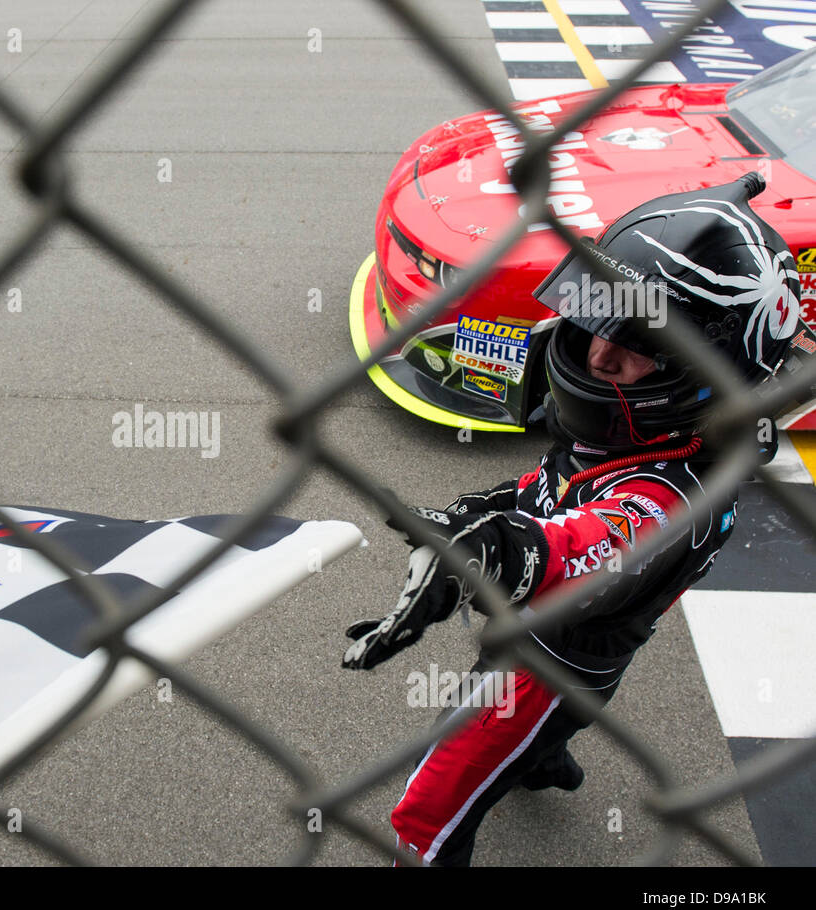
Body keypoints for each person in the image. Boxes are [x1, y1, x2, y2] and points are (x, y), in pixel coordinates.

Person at [340, 173, 802, 866]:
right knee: (525, 724)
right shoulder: (645, 434)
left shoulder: (672, 496)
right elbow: (556, 484)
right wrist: (480, 513)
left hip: (549, 670)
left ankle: (529, 755)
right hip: (563, 652)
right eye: (598, 319)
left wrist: (491, 548)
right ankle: (541, 759)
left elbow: (587, 542)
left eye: (637, 347)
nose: (597, 353)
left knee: (424, 813)